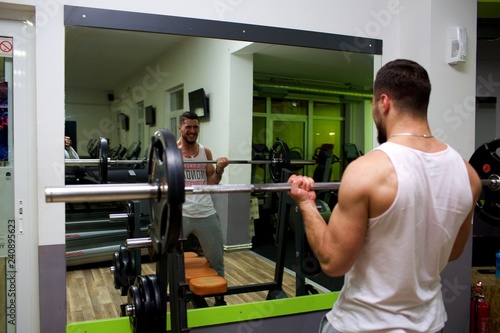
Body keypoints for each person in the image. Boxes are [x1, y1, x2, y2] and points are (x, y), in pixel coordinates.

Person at [287, 59, 482, 333]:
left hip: (361, 327)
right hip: (430, 325)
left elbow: (332, 262)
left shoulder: (366, 171)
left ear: (383, 102)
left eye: (372, 107)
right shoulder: (469, 176)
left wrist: (306, 204)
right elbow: (453, 252)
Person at [177, 111, 229, 306]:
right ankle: (179, 299)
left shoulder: (205, 152)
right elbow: (163, 181)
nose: (192, 131)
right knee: (172, 260)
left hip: (206, 213)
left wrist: (219, 169)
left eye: (195, 127)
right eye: (188, 127)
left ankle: (219, 300)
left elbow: (212, 183)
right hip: (181, 214)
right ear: (180, 127)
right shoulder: (171, 152)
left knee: (217, 260)